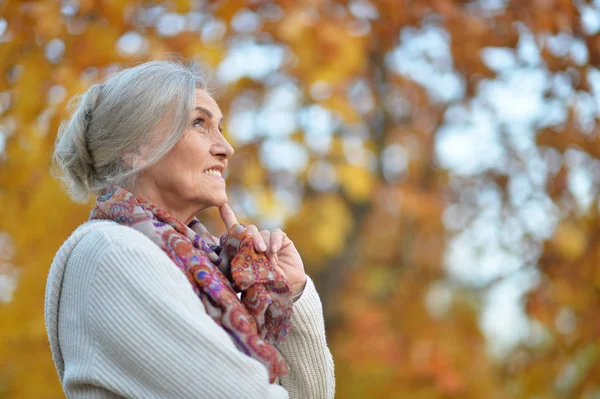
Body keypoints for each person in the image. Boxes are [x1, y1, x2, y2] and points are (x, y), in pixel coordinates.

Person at [44, 60, 335, 398]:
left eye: (221, 129)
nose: (226, 148)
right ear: (135, 148)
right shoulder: (113, 252)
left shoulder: (204, 268)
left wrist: (293, 292)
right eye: (199, 123)